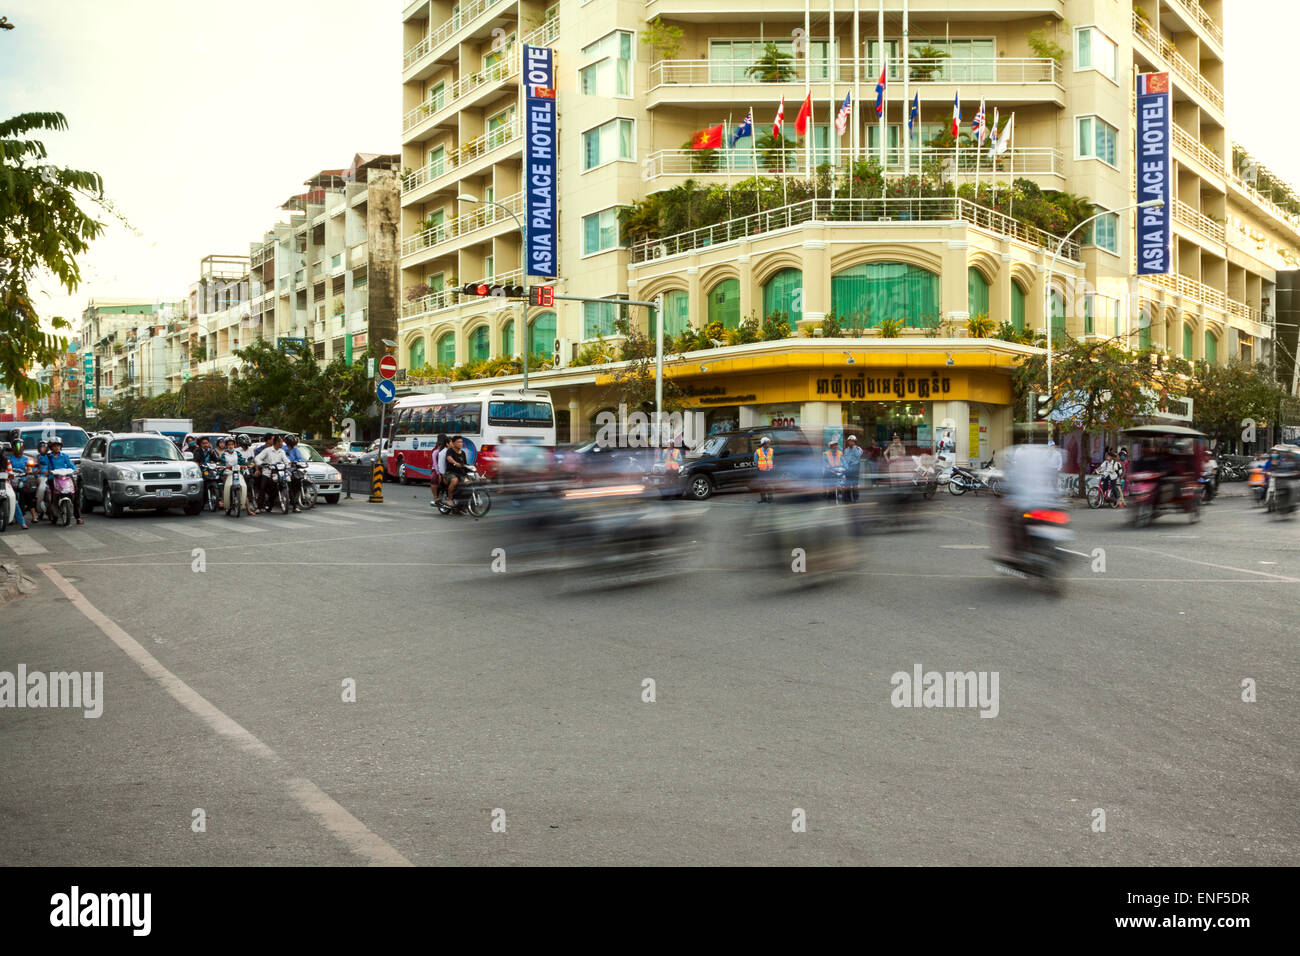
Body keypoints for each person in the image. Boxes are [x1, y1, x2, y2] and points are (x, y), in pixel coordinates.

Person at [42, 437, 82, 524]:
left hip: (66, 478)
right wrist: (46, 471)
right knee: (53, 496)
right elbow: (45, 466)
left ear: (61, 447)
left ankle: (78, 517)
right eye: (54, 446)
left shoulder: (65, 456)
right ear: (51, 447)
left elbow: (70, 465)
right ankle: (52, 512)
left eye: (58, 446)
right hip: (53, 478)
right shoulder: (48, 457)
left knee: (75, 494)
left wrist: (75, 470)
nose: (57, 448)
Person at [254, 435, 290, 510]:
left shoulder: (282, 451)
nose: (282, 443)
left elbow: (286, 460)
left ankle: (271, 505)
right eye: (281, 441)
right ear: (277, 442)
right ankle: (259, 507)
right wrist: (262, 463)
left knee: (277, 488)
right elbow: (257, 458)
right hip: (267, 473)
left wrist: (289, 464)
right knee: (262, 489)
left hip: (278, 473)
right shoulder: (267, 450)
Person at [0, 443, 29, 530]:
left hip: (4, 483)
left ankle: (22, 522)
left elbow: (10, 472)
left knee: (14, 501)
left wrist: (11, 475)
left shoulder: (6, 461)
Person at [443, 435, 469, 510]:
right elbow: (449, 458)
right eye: (458, 442)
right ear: (453, 443)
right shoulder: (450, 451)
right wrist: (455, 463)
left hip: (460, 473)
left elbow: (465, 464)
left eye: (461, 442)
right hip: (450, 473)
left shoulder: (463, 453)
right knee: (455, 480)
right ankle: (449, 498)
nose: (460, 443)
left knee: (470, 483)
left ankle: (466, 504)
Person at [284, 435, 306, 512]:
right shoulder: (283, 449)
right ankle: (294, 505)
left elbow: (300, 458)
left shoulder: (296, 450)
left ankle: (297, 500)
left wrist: (300, 462)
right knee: (289, 487)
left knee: (298, 483)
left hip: (294, 470)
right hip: (285, 471)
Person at [429, 433, 449, 506]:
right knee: (434, 479)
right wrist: (438, 473)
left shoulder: (448, 450)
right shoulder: (436, 451)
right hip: (437, 470)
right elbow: (435, 464)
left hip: (446, 469)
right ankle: (435, 497)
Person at [841, 435, 863, 503]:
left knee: (854, 484)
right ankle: (847, 499)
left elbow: (859, 456)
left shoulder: (858, 449)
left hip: (855, 467)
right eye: (849, 441)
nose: (851, 442)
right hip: (847, 468)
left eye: (852, 441)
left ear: (855, 442)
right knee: (847, 484)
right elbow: (843, 459)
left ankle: (855, 498)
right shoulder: (846, 450)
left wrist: (854, 448)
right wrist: (846, 466)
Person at [753, 435, 775, 502]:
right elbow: (755, 461)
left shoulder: (771, 450)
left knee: (769, 485)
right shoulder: (757, 451)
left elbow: (772, 459)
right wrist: (760, 467)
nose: (769, 444)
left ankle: (770, 498)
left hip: (769, 470)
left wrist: (770, 466)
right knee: (762, 485)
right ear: (763, 444)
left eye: (769, 443)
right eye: (767, 443)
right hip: (762, 471)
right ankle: (763, 499)